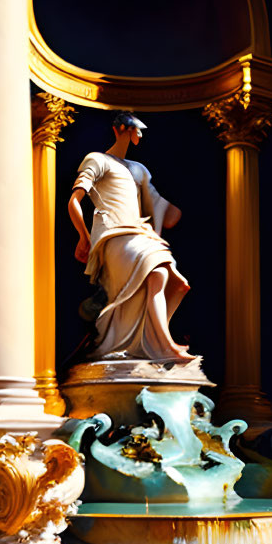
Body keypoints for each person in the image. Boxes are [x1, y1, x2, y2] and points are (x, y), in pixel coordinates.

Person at [68, 112, 193, 361]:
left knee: (177, 283)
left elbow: (157, 205)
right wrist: (83, 236)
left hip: (137, 232)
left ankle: (151, 343)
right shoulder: (97, 159)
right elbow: (74, 201)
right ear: (123, 128)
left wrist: (174, 211)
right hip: (112, 235)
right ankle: (164, 345)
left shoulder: (139, 170)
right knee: (157, 273)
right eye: (138, 129)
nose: (140, 134)